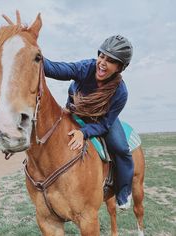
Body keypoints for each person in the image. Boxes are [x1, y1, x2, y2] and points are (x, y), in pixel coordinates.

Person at [43, 35, 134, 209]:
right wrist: (33, 53)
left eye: (111, 60)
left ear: (120, 67)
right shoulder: (86, 68)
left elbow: (105, 125)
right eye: (102, 56)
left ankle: (123, 192)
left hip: (101, 119)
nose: (102, 62)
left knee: (121, 148)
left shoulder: (120, 92)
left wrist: (83, 132)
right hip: (76, 110)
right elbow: (58, 69)